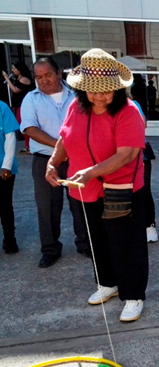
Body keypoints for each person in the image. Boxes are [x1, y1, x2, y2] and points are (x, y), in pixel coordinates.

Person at [46, 48, 149, 322]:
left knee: (126, 243)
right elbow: (65, 138)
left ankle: (133, 294)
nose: (99, 96)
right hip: (85, 188)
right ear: (82, 90)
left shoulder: (128, 112)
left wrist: (91, 172)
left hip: (120, 188)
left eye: (105, 91)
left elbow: (127, 153)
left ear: (117, 89)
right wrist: (53, 163)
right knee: (96, 240)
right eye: (92, 91)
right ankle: (108, 283)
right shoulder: (75, 107)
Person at [20, 57, 90, 268]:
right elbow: (30, 129)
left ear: (59, 73)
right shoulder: (31, 99)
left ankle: (85, 244)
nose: (44, 80)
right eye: (38, 77)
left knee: (80, 202)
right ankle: (50, 249)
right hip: (45, 160)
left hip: (78, 159)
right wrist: (61, 148)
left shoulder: (78, 96)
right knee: (48, 207)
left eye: (48, 75)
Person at [130, 99, 158, 243]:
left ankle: (150, 225)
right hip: (114, 157)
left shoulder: (132, 103)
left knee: (144, 190)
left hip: (140, 154)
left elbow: (142, 124)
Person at [2, 61, 34, 153]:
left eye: (14, 69)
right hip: (19, 105)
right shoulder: (18, 78)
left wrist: (7, 79)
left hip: (24, 106)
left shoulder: (24, 79)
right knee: (21, 125)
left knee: (23, 125)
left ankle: (29, 145)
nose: (13, 70)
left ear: (19, 70)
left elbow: (15, 90)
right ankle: (27, 145)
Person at [0, 100, 19, 254]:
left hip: (3, 168)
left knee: (5, 206)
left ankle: (10, 240)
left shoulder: (2, 107)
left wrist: (6, 165)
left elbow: (10, 137)